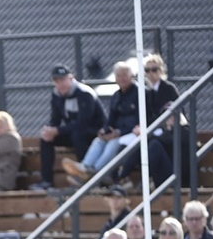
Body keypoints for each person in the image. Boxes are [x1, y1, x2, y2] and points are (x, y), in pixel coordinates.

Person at [63, 60, 140, 185]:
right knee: (99, 141)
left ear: (132, 76)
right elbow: (111, 119)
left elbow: (139, 120)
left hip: (132, 133)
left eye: (124, 75)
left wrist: (119, 132)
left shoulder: (140, 93)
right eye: (118, 76)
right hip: (117, 133)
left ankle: (94, 173)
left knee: (113, 143)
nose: (122, 79)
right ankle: (85, 167)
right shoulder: (116, 95)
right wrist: (105, 130)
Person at [33, 64, 106, 190]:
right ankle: (46, 180)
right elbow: (55, 119)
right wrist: (49, 130)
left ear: (71, 78)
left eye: (63, 79)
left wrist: (57, 130)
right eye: (56, 80)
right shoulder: (56, 95)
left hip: (95, 133)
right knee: (46, 139)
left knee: (78, 135)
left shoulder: (84, 93)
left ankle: (85, 176)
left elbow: (83, 123)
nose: (60, 84)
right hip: (72, 131)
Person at [114, 54, 182, 186]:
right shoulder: (149, 92)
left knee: (141, 144)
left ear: (161, 71)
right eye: (147, 70)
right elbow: (147, 115)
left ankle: (124, 178)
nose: (150, 73)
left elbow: (169, 114)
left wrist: (146, 128)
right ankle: (117, 177)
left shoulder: (168, 88)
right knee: (123, 143)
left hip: (164, 130)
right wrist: (141, 127)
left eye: (154, 69)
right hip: (151, 129)